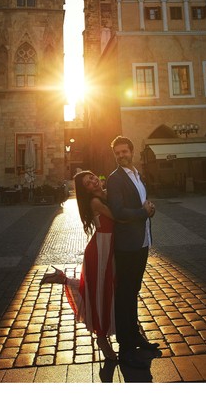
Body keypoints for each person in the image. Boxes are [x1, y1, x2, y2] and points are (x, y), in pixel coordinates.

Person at [41, 170, 117, 361]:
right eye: (88, 183)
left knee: (105, 288)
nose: (93, 181)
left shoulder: (105, 194)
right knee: (100, 292)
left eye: (92, 177)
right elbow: (119, 216)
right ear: (86, 191)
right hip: (100, 251)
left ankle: (62, 279)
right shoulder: (95, 202)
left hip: (109, 248)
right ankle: (102, 338)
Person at [106, 135, 159, 369]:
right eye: (117, 153)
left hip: (142, 241)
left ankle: (134, 335)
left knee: (134, 290)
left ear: (132, 151)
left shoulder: (136, 174)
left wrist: (150, 210)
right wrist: (143, 213)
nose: (121, 155)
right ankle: (125, 344)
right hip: (127, 245)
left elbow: (142, 204)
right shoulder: (115, 179)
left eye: (124, 151)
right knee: (124, 293)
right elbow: (117, 211)